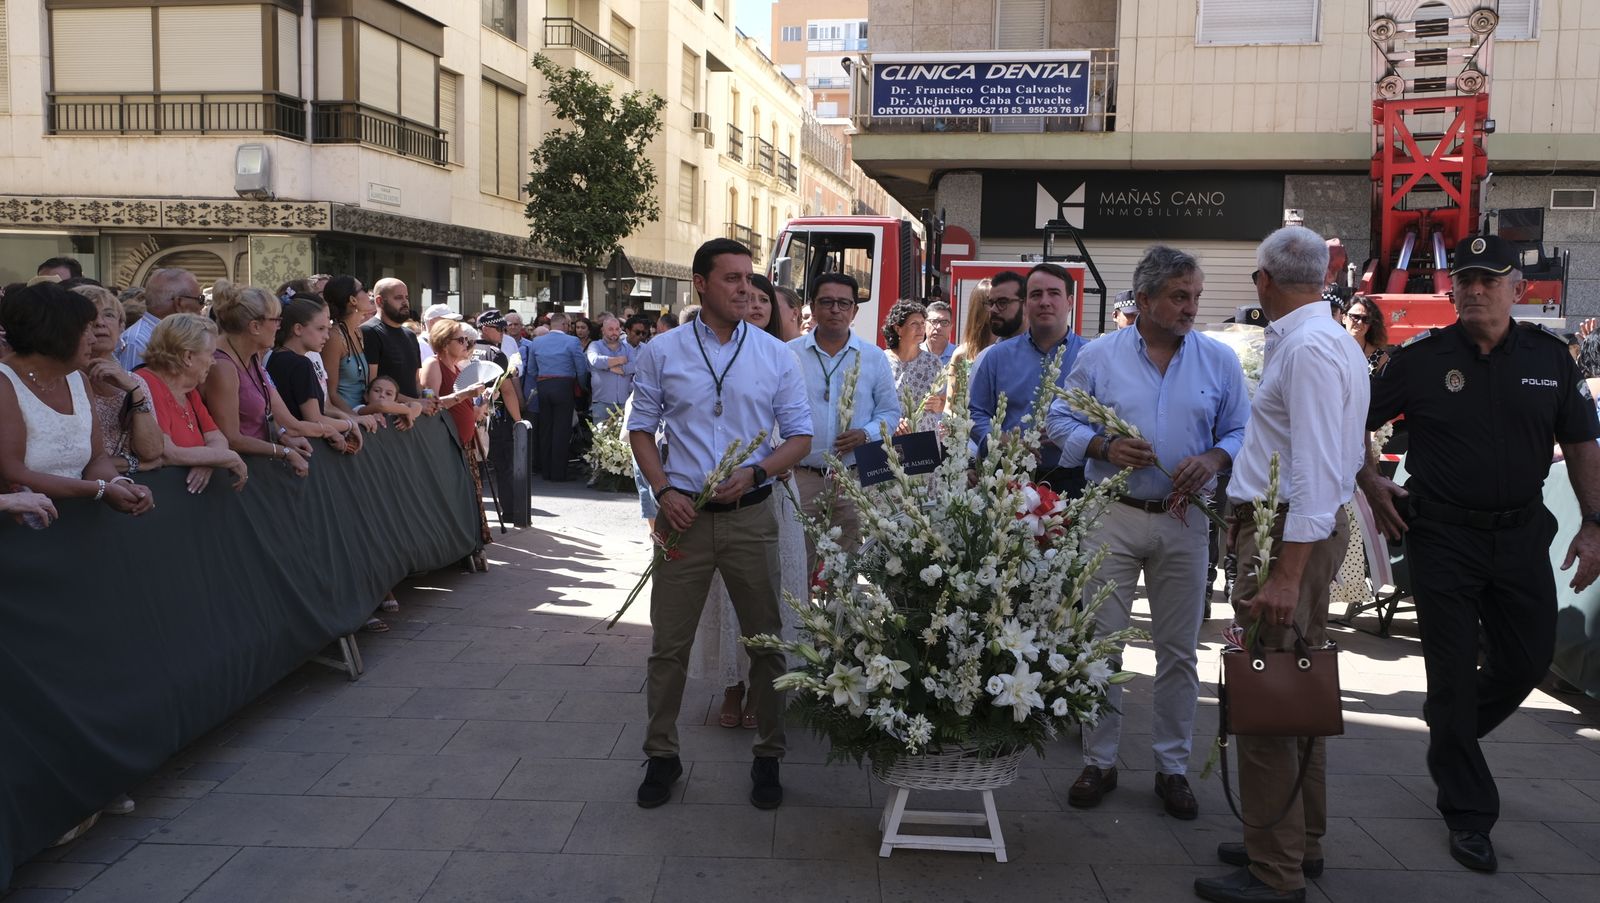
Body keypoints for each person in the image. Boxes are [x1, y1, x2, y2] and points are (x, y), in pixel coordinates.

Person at [1357, 235, 1600, 875]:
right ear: (1451, 289)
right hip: (1443, 537)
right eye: (1464, 279)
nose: (1474, 289)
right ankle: (1468, 812)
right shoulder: (1420, 359)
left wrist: (1595, 522)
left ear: (1516, 290)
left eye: (1489, 279)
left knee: (1527, 658)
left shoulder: (1551, 358)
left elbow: (1579, 442)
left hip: (1521, 536)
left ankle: (1449, 735)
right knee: (1452, 667)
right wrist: (1368, 477)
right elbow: (1351, 415)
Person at [1195, 227, 1369, 903]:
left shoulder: (1311, 348)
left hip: (1282, 537)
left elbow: (1317, 468)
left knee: (1268, 694)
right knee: (1295, 686)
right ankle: (1292, 837)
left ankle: (1277, 868)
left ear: (1266, 279)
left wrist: (1287, 572)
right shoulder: (1319, 340)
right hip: (1283, 532)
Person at [1046, 246, 1250, 821]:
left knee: (1179, 651)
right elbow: (1060, 417)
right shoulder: (1101, 355)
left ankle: (1172, 768)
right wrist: (1103, 446)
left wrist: (1213, 458)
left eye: (1195, 296)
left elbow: (1240, 428)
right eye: (1179, 296)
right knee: (1101, 642)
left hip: (1185, 520)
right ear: (1143, 301)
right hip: (1113, 511)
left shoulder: (1218, 360)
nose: (1191, 307)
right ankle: (1099, 760)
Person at [628, 238, 813, 812]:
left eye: (748, 279)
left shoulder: (775, 354)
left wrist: (758, 470)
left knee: (766, 641)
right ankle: (662, 755)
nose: (743, 289)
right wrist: (662, 491)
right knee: (669, 645)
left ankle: (769, 755)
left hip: (750, 516)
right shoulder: (662, 351)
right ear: (700, 284)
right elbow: (640, 428)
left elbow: (801, 437)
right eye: (730, 278)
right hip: (683, 517)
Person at [692, 275, 811, 730]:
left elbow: (799, 428)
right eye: (751, 296)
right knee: (725, 595)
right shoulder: (711, 356)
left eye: (767, 299)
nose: (757, 304)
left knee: (772, 595)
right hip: (720, 492)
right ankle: (731, 685)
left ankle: (765, 686)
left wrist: (770, 463)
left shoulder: (785, 358)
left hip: (773, 493)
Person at [0, 283, 153, 514]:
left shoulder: (78, 380)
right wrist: (100, 490)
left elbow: (96, 458)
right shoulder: (5, 383)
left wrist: (119, 484)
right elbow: (13, 473)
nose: (93, 339)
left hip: (78, 525)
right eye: (85, 330)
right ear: (54, 332)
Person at [789, 273, 900, 577]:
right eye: (826, 302)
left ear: (855, 310)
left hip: (852, 477)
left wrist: (867, 433)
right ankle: (799, 625)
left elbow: (891, 413)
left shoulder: (874, 357)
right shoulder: (790, 354)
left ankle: (840, 624)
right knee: (798, 566)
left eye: (843, 303)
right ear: (812, 306)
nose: (835, 309)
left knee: (846, 569)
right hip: (802, 477)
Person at [970, 264, 1088, 493]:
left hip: (1073, 481)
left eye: (1054, 293)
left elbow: (1106, 419)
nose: (1044, 301)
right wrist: (1000, 440)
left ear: (1070, 302)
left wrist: (1073, 435)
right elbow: (976, 413)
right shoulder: (996, 358)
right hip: (1009, 479)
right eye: (1036, 294)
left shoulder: (1091, 357)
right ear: (1026, 304)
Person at [201, 281, 320, 477]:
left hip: (256, 470)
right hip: (232, 479)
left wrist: (282, 436)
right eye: (276, 320)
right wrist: (284, 452)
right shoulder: (222, 367)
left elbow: (265, 414)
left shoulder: (253, 354)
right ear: (255, 326)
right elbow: (231, 438)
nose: (280, 327)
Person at [137, 314, 249, 494]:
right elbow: (166, 452)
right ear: (188, 356)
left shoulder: (188, 391)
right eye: (210, 354)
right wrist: (225, 457)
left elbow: (217, 438)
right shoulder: (147, 384)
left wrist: (210, 459)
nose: (213, 361)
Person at [73, 285, 164, 475]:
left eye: (109, 315)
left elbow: (152, 451)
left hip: (131, 493)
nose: (100, 323)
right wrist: (133, 464)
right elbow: (70, 460)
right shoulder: (63, 379)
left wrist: (135, 391)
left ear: (122, 326)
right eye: (90, 316)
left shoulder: (134, 380)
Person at [421, 317, 495, 546]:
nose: (467, 344)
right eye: (461, 340)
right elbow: (430, 402)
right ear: (444, 343)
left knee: (469, 495)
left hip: (464, 441)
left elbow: (465, 408)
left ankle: (470, 545)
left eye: (467, 339)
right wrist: (464, 394)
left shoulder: (456, 367)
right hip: (446, 442)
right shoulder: (433, 365)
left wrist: (481, 401)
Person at [268, 295, 365, 452]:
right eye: (320, 329)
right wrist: (350, 424)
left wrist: (342, 417)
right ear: (298, 329)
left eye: (327, 329)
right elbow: (314, 418)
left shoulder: (274, 357)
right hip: (307, 446)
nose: (326, 336)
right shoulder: (301, 364)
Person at [321, 275, 404, 431]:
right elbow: (331, 394)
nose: (370, 293)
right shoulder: (333, 337)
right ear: (353, 300)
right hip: (347, 422)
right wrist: (355, 419)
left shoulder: (358, 332)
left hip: (365, 415)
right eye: (364, 289)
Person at [524, 311, 588, 481]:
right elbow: (581, 368)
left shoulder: (537, 342)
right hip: (564, 386)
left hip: (543, 386)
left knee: (546, 429)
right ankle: (558, 473)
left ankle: (546, 471)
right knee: (561, 429)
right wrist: (583, 386)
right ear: (565, 325)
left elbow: (531, 369)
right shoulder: (572, 341)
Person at [118, 268, 204, 369]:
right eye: (200, 299)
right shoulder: (136, 342)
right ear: (179, 303)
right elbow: (132, 382)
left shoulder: (173, 336)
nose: (202, 306)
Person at [882, 299, 947, 429]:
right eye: (914, 324)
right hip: (891, 436)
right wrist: (893, 421)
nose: (921, 328)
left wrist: (937, 404)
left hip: (924, 438)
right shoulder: (881, 360)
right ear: (898, 329)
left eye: (922, 323)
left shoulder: (933, 363)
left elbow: (945, 403)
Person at [362, 278, 429, 404]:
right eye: (398, 298)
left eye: (406, 297)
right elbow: (372, 385)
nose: (405, 302)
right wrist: (414, 403)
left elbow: (416, 382)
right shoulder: (369, 332)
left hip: (412, 415)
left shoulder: (410, 335)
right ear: (380, 301)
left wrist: (426, 398)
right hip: (386, 417)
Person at [586, 313, 636, 424]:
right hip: (602, 402)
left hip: (623, 402)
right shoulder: (595, 345)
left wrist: (610, 368)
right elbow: (595, 361)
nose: (614, 332)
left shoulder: (627, 348)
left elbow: (635, 366)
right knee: (600, 438)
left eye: (617, 329)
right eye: (610, 329)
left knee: (623, 440)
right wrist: (620, 360)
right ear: (603, 330)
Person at [948, 279, 997, 376]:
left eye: (1001, 302)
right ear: (978, 308)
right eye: (991, 303)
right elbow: (953, 391)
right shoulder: (961, 354)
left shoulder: (1012, 350)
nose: (996, 308)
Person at [1342, 295, 1389, 369]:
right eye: (1355, 317)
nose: (1360, 322)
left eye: (1366, 319)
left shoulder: (1380, 358)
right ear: (1343, 318)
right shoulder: (1331, 350)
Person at [983, 270, 1028, 344]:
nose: (993, 309)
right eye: (991, 303)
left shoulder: (1047, 353)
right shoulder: (987, 354)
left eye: (1002, 302)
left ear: (1026, 304)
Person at [922, 300, 955, 366]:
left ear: (951, 327)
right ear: (924, 325)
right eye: (934, 321)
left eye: (944, 322)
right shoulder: (912, 355)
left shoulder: (958, 356)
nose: (938, 327)